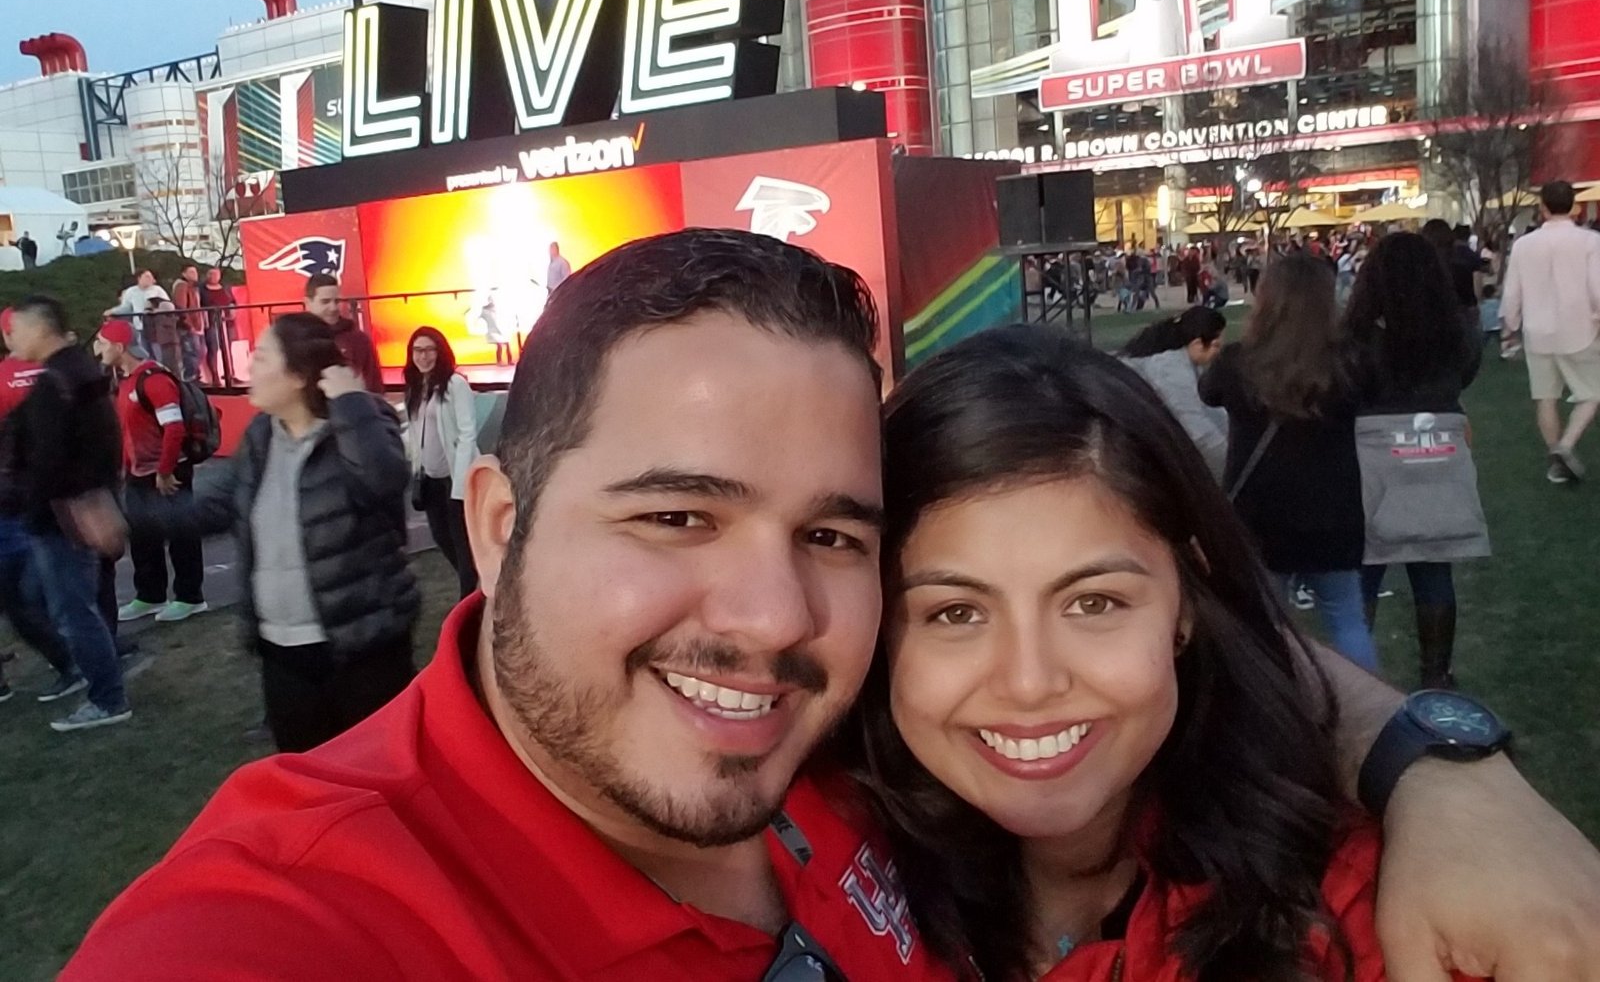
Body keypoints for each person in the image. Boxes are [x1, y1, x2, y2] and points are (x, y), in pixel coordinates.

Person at [64, 232, 1600, 982]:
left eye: (836, 534)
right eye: (676, 514)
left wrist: (1433, 766)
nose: (769, 613)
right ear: (496, 521)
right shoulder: (305, 920)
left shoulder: (850, 753)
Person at [849, 326, 1478, 982]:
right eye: (956, 612)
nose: (1030, 680)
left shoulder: (1370, 916)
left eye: (1093, 603)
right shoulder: (796, 867)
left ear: (1184, 602)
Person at [126, 314, 418, 753]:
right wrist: (126, 515)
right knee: (309, 782)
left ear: (299, 375)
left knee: (379, 771)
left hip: (361, 647)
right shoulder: (264, 434)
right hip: (284, 655)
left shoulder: (361, 423)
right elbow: (212, 507)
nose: (249, 369)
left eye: (261, 357)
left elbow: (383, 479)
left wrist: (351, 403)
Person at [1199, 254, 1380, 673]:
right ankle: (1368, 712)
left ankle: (1276, 708)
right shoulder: (1351, 362)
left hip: (1260, 511)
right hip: (1334, 510)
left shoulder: (1237, 362)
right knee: (1346, 619)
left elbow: (1209, 393)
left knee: (1266, 625)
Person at [1345, 233, 1484, 689]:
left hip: (1374, 452)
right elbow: (1464, 373)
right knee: (1432, 565)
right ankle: (1436, 674)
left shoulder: (1358, 338)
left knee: (1366, 567)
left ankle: (1358, 676)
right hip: (1437, 447)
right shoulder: (1456, 333)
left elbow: (1349, 384)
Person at [4, 296, 130, 732]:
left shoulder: (63, 379)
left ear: (41, 329)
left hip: (63, 518)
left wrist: (91, 498)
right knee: (40, 599)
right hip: (56, 516)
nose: (10, 337)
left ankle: (107, 697)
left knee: (73, 610)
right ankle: (97, 675)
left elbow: (67, 454)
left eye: (16, 328)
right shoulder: (63, 375)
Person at [95, 319, 209, 626]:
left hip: (167, 472)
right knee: (144, 536)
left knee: (181, 534)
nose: (98, 349)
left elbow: (174, 429)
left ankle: (190, 597)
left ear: (119, 347)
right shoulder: (126, 380)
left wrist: (165, 470)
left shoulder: (153, 380)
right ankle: (150, 594)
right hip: (139, 472)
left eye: (103, 343)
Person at [0, 307, 80, 704]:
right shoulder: (53, 374)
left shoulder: (19, 379)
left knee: (27, 600)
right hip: (39, 498)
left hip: (21, 502)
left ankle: (76, 664)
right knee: (41, 593)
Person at [1499, 180, 1600, 483]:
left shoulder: (1523, 245)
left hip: (1537, 331)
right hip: (1580, 328)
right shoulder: (1590, 241)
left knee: (1545, 397)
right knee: (1592, 392)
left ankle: (1557, 459)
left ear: (1542, 208)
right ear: (1574, 206)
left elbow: (1512, 292)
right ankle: (1565, 446)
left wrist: (1509, 328)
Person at [403, 326, 480, 598]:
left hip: (454, 479)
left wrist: (459, 484)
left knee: (463, 543)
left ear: (440, 351)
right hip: (430, 479)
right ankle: (475, 592)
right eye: (417, 350)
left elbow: (467, 433)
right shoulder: (415, 387)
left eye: (429, 350)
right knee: (442, 539)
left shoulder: (455, 384)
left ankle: (468, 602)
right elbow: (414, 433)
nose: (423, 356)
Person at [1120, 306, 1229, 481]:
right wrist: (1233, 469)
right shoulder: (1171, 368)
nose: (1218, 352)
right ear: (1197, 344)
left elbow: (1213, 413)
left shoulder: (1186, 365)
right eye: (1216, 345)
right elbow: (1196, 430)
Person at [304, 273, 383, 394]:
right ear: (308, 303)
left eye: (337, 301)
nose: (333, 308)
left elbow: (375, 389)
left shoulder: (359, 340)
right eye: (325, 302)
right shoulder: (294, 340)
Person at [111, 269, 170, 353]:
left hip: (155, 327)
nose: (151, 279)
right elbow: (125, 308)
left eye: (151, 277)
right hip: (139, 327)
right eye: (147, 276)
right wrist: (113, 311)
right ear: (139, 278)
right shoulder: (131, 291)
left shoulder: (158, 290)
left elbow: (168, 305)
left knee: (158, 351)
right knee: (144, 351)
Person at [198, 267, 237, 386]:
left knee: (227, 348)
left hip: (227, 321)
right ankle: (215, 376)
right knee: (213, 348)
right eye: (210, 274)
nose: (213, 277)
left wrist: (232, 310)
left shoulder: (225, 287)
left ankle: (230, 374)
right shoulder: (202, 289)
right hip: (211, 322)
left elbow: (233, 301)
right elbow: (199, 304)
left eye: (216, 274)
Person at [170, 264, 205, 382]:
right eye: (191, 272)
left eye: (195, 272)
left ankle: (194, 376)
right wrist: (189, 324)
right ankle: (191, 378)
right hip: (188, 326)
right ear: (184, 274)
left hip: (194, 324)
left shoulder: (191, 287)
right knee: (192, 352)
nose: (195, 274)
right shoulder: (182, 286)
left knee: (198, 351)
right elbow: (181, 307)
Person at [144, 297, 182, 374]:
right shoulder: (174, 318)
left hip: (166, 343)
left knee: (169, 365)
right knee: (173, 364)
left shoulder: (161, 318)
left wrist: (148, 311)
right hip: (170, 343)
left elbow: (151, 320)